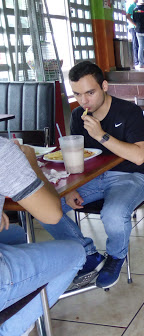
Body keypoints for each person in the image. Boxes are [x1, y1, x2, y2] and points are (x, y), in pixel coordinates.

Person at [41, 61, 144, 290]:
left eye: (90, 93)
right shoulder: (77, 116)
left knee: (113, 213)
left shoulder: (129, 111)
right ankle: (89, 255)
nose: (84, 101)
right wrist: (71, 187)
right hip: (92, 178)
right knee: (43, 207)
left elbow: (140, 157)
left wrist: (102, 135)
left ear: (104, 86)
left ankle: (115, 257)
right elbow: (75, 155)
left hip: (131, 176)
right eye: (78, 94)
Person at [0, 138, 86, 335]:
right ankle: (11, 330)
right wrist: (31, 163)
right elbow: (52, 215)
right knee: (77, 252)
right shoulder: (4, 150)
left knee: (17, 234)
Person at [126, 0, 139, 68]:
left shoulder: (136, 6)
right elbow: (128, 16)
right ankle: (136, 60)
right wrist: (134, 24)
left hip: (136, 27)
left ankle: (138, 60)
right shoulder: (131, 6)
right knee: (135, 44)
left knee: (137, 44)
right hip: (133, 28)